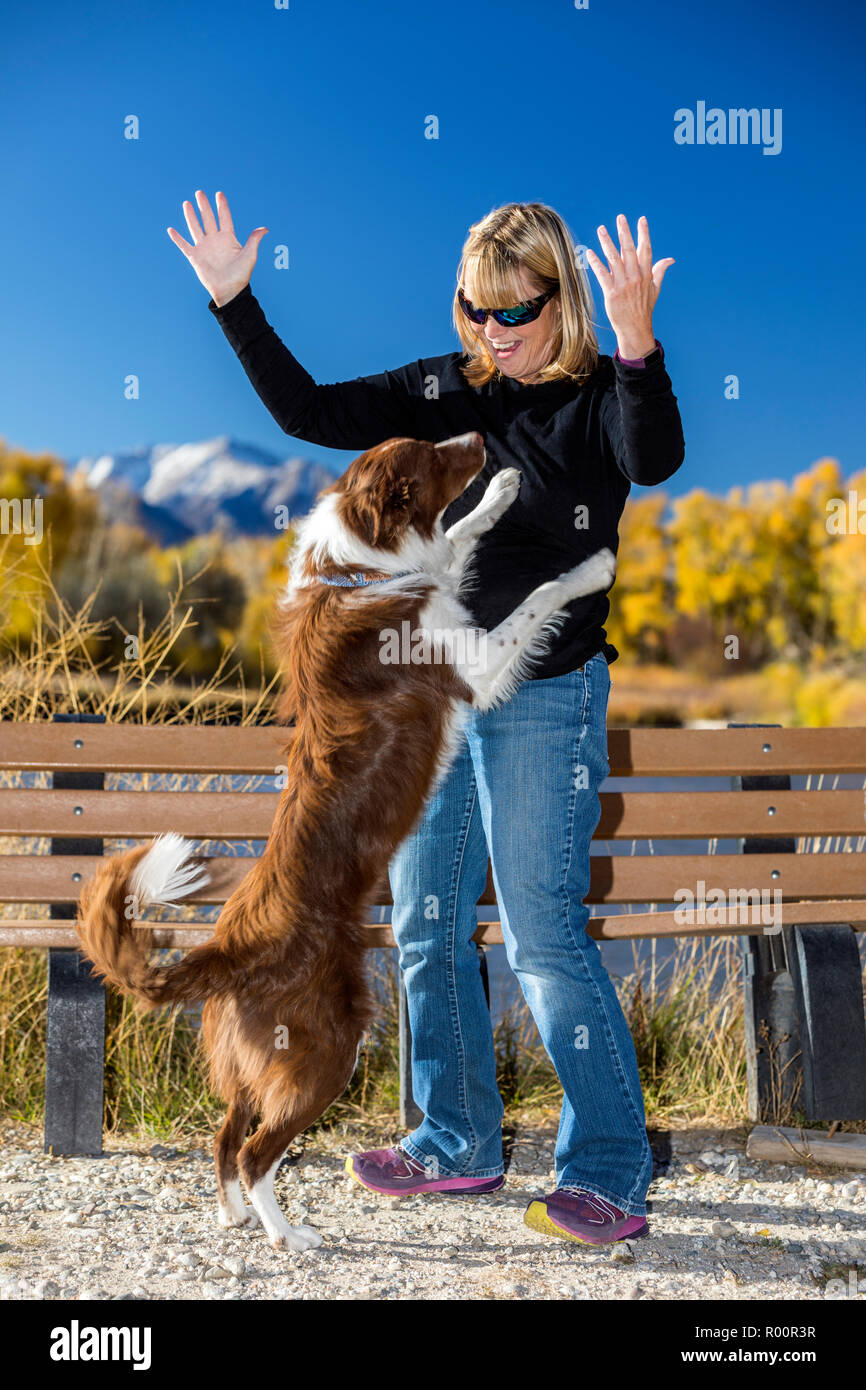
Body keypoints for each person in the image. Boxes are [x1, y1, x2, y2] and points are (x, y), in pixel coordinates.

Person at [167, 192, 685, 1245]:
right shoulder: (451, 385)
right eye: (475, 311)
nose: (492, 333)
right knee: (421, 923)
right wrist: (234, 303)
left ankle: (608, 1171)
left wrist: (638, 350)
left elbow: (652, 459)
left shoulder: (596, 394)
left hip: (545, 695)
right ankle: (453, 1141)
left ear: (561, 298)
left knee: (541, 932)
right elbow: (308, 412)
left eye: (516, 311)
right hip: (428, 703)